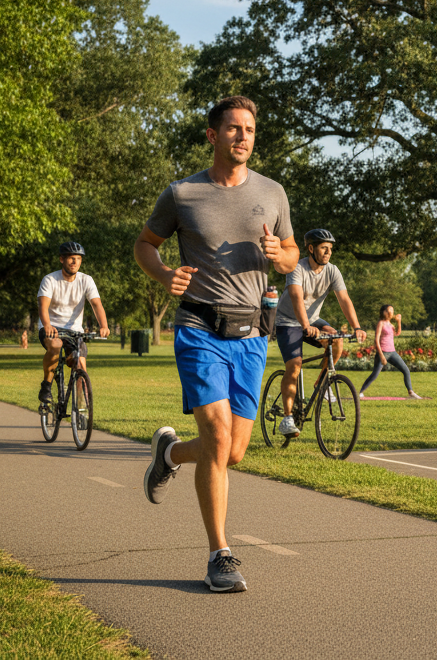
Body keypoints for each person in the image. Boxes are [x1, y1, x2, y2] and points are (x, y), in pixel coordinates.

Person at [134, 95, 299, 593]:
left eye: (249, 129)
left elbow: (292, 255)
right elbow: (145, 243)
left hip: (252, 334)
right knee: (219, 436)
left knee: (233, 453)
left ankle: (169, 455)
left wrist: (280, 255)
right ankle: (219, 555)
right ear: (212, 135)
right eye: (232, 128)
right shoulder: (183, 194)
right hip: (199, 327)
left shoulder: (273, 193)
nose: (242, 136)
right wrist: (164, 275)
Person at [273, 229, 367, 437]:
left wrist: (357, 326)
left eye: (330, 249)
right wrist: (306, 326)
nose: (328, 252)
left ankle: (322, 382)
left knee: (336, 341)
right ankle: (287, 419)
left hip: (313, 319)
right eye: (324, 248)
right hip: (288, 321)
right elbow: (297, 297)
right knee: (294, 366)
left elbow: (344, 299)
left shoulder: (332, 271)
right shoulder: (297, 267)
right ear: (311, 248)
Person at [37, 241, 110, 404]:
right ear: (62, 259)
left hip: (74, 330)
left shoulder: (86, 280)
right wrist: (47, 325)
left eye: (78, 258)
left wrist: (103, 325)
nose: (74, 262)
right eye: (71, 258)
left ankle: (82, 409)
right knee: (55, 346)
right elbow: (43, 306)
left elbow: (96, 304)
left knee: (79, 364)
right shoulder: (50, 280)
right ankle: (46, 385)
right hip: (51, 327)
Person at [360, 305, 416, 398]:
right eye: (390, 311)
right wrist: (381, 355)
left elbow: (397, 333)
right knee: (375, 374)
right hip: (383, 352)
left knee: (406, 370)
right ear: (384, 312)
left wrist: (399, 322)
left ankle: (411, 392)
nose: (392, 313)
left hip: (392, 352)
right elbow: (376, 340)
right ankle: (360, 392)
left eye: (392, 311)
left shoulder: (390, 324)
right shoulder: (381, 323)